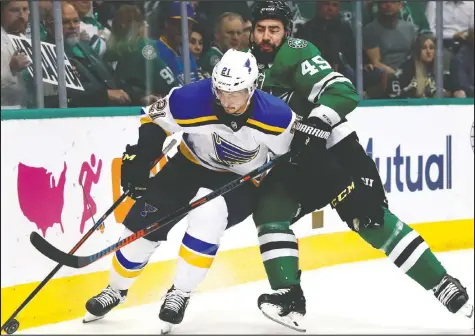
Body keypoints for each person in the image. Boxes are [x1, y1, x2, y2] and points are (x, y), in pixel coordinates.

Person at [170, 1, 474, 331]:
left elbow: (343, 91)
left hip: (331, 152)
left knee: (368, 218)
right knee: (270, 214)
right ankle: (289, 299)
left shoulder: (297, 53)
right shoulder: (243, 64)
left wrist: (315, 123)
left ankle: (444, 285)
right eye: (260, 29)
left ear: (287, 31)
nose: (267, 36)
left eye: (275, 29)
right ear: (250, 31)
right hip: (290, 162)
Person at [82, 49, 300, 332]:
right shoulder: (190, 98)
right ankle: (115, 290)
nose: (227, 101)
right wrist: (141, 157)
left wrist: (292, 167)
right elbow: (154, 119)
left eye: (235, 93)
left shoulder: (277, 116)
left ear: (252, 88)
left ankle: (180, 293)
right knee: (143, 224)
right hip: (189, 165)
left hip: (240, 180)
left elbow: (295, 154)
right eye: (221, 92)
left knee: (207, 215)